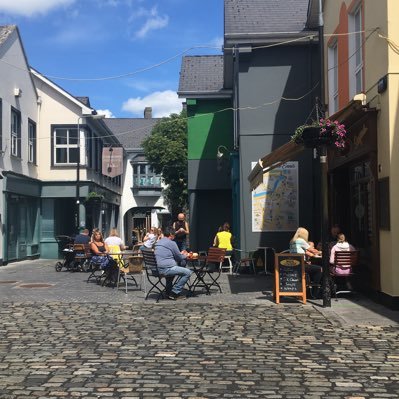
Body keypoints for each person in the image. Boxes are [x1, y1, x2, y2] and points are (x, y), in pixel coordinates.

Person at [154, 227, 193, 300]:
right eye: (174, 235)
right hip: (166, 269)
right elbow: (179, 258)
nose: (175, 236)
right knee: (188, 272)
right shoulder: (171, 243)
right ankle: (174, 292)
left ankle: (168, 292)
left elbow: (169, 254)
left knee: (172, 274)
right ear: (171, 234)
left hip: (157, 268)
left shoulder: (159, 242)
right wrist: (185, 255)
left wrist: (179, 254)